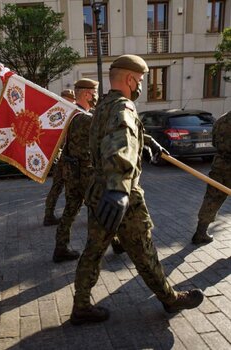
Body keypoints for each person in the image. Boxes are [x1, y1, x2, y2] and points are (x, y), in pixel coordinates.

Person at [70, 55, 204, 325]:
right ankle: (170, 299)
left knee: (93, 251)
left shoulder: (104, 106)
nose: (141, 85)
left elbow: (123, 132)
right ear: (130, 79)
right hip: (121, 196)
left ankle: (80, 306)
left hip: (98, 191)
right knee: (143, 250)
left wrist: (149, 142)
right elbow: (119, 144)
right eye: (141, 80)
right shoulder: (124, 108)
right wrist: (119, 190)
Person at [52, 79, 98, 263]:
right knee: (98, 209)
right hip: (86, 174)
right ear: (87, 94)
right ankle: (112, 243)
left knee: (70, 211)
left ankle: (60, 248)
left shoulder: (71, 114)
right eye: (95, 93)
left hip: (72, 172)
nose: (96, 97)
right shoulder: (86, 118)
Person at [192, 111, 231, 244]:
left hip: (220, 165)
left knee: (211, 198)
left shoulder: (221, 120)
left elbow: (214, 142)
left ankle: (201, 232)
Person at [43, 89, 76, 226]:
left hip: (65, 158)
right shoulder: (64, 114)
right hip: (67, 159)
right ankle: (56, 216)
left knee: (58, 188)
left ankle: (49, 215)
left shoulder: (59, 112)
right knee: (73, 188)